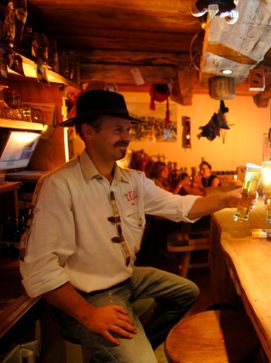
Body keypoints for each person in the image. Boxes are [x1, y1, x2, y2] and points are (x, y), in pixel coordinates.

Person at [19, 90, 249, 362]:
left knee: (188, 292)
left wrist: (226, 199)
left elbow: (179, 207)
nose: (127, 136)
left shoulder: (133, 181)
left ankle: (127, 351)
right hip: (87, 295)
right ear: (88, 132)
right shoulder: (59, 185)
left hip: (125, 279)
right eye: (118, 129)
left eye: (128, 129)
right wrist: (89, 315)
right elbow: (39, 269)